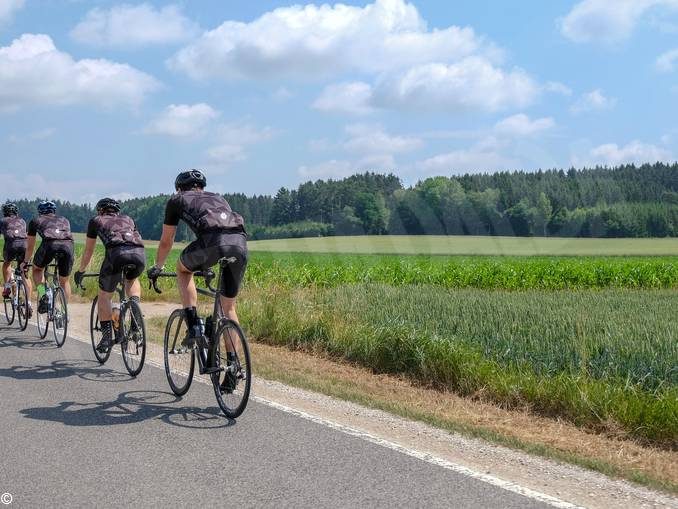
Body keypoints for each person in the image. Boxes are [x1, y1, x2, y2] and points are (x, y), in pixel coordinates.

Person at [147, 170, 247, 388]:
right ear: (201, 186)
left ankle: (194, 325)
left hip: (212, 244)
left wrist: (158, 267)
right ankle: (233, 367)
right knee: (228, 307)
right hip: (239, 245)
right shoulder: (218, 197)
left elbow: (167, 240)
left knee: (183, 270)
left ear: (179, 187)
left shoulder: (177, 199)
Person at [74, 198, 146, 352]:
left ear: (100, 211)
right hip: (139, 254)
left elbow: (89, 251)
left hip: (116, 254)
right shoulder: (128, 219)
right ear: (117, 211)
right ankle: (135, 311)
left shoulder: (96, 220)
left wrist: (81, 270)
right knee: (132, 279)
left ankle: (106, 338)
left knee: (104, 296)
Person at [23, 201, 74, 314]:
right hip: (68, 246)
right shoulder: (65, 220)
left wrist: (25, 262)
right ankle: (64, 313)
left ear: (40, 211)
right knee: (64, 281)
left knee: (37, 270)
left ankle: (43, 294)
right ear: (54, 211)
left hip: (50, 245)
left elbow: (30, 246)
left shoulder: (35, 220)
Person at [1, 203, 31, 316]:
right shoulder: (22, 221)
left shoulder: (3, 220)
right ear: (16, 212)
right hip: (24, 246)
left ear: (5, 212)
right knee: (24, 273)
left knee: (6, 264)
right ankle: (29, 303)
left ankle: (7, 287)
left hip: (11, 245)